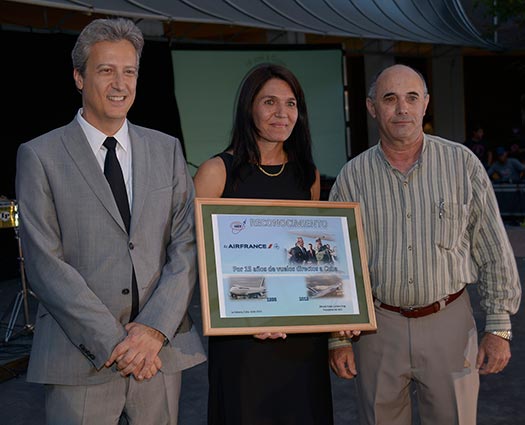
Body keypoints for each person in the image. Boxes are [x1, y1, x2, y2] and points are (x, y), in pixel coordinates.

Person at [15, 18, 205, 424]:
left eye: (129, 71)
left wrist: (153, 331)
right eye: (106, 71)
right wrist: (118, 344)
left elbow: (188, 244)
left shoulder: (167, 149)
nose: (120, 84)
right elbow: (45, 265)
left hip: (160, 354)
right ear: (79, 77)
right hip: (80, 358)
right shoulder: (39, 156)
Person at [329, 64, 521, 425]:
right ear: (372, 108)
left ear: (425, 104)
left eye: (411, 98)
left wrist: (498, 327)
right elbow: (338, 264)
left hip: (449, 323)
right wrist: (338, 337)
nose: (402, 108)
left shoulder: (462, 164)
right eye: (390, 99)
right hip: (376, 329)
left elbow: (494, 248)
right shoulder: (352, 177)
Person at [194, 63, 357, 425]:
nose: (282, 113)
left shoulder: (307, 176)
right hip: (243, 342)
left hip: (301, 342)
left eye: (291, 103)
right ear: (249, 106)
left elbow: (316, 264)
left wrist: (340, 312)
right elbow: (198, 264)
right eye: (269, 102)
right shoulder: (216, 172)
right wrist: (250, 314)